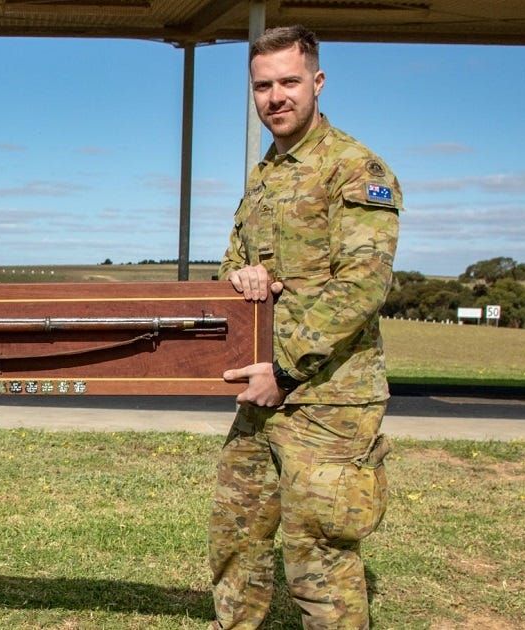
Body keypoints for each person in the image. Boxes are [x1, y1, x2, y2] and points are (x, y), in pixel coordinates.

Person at [209, 25, 401, 629]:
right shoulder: (266, 176)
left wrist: (284, 370)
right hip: (261, 394)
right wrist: (246, 277)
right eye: (262, 86)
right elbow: (231, 266)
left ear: (317, 83)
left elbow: (362, 286)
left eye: (289, 81)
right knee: (236, 536)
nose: (276, 97)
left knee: (317, 553)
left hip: (329, 400)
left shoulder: (354, 168)